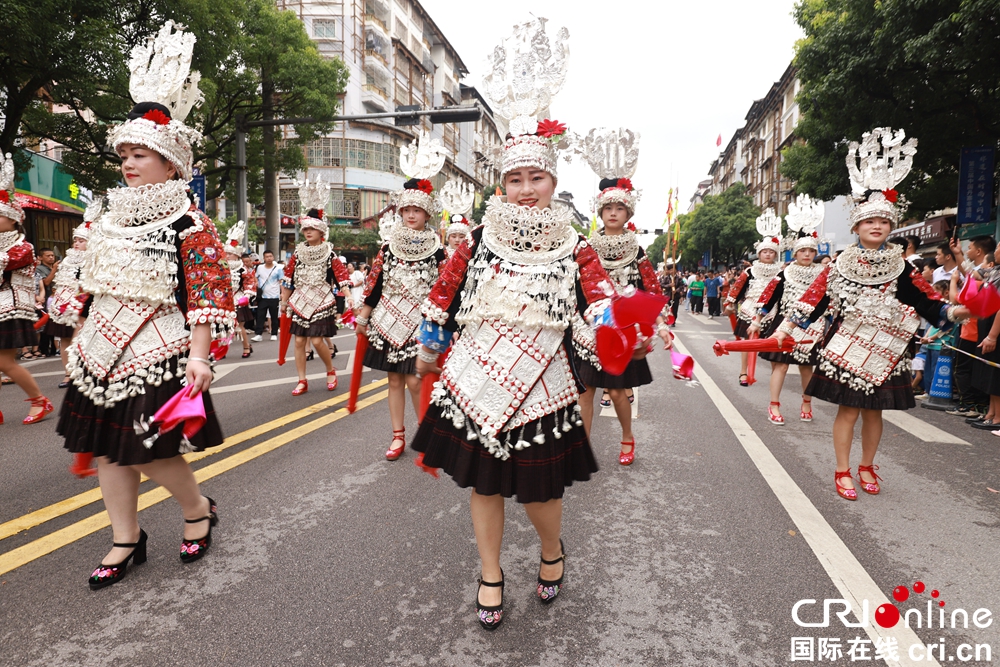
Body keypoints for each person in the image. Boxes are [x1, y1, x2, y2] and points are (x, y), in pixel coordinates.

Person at [411, 20, 602, 630]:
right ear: (501, 183)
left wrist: (620, 327)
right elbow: (443, 297)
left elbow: (598, 301)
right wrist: (429, 348)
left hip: (545, 381)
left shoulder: (576, 244)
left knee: (541, 493)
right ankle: (490, 572)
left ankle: (551, 550)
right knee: (484, 486)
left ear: (553, 182)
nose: (525, 190)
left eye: (536, 178)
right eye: (514, 179)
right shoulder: (476, 241)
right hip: (474, 377)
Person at [59, 22, 235, 588]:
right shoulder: (104, 216)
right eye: (126, 155)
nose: (129, 164)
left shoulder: (191, 222)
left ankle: (196, 511)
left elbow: (208, 292)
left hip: (160, 347)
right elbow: (85, 275)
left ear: (171, 164)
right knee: (110, 452)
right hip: (99, 348)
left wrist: (202, 356)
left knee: (153, 450)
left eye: (141, 155)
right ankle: (125, 538)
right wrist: (72, 318)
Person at [774, 127, 967, 501]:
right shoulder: (839, 264)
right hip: (847, 346)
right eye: (868, 222)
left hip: (888, 349)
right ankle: (843, 469)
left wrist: (955, 311)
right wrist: (786, 327)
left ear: (890, 227)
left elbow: (928, 302)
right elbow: (813, 300)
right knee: (848, 411)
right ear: (857, 226)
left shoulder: (902, 267)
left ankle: (867, 465)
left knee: (876, 414)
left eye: (883, 222)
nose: (876, 226)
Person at [568, 138, 672, 465]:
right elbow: (573, 286)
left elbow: (651, 290)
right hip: (587, 328)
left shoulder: (637, 251)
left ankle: (627, 436)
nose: (613, 213)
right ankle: (582, 450)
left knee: (616, 392)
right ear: (600, 212)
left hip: (623, 330)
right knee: (584, 393)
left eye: (619, 208)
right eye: (608, 208)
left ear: (628, 213)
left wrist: (660, 326)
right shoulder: (585, 246)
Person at [356, 132, 448, 461]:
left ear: (427, 215)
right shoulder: (387, 247)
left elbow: (445, 290)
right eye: (406, 210)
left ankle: (425, 432)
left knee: (414, 381)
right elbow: (376, 283)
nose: (411, 215)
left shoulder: (438, 251)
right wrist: (363, 317)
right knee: (394, 382)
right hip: (386, 321)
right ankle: (397, 436)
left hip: (420, 324)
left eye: (416, 211)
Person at [752, 196, 825, 425]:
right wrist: (757, 320)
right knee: (781, 366)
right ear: (795, 253)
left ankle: (806, 401)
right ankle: (773, 405)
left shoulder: (822, 275)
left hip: (811, 326)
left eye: (810, 252)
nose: (806, 254)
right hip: (783, 324)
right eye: (802, 251)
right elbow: (769, 298)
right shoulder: (785, 273)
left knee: (806, 366)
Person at [280, 182, 351, 396]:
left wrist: (349, 298)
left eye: (312, 229)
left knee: (318, 340)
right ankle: (302, 379)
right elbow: (287, 281)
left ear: (321, 231)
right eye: (306, 229)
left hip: (322, 300)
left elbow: (341, 278)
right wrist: (283, 303)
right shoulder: (297, 254)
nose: (308, 232)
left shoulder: (330, 254)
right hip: (299, 301)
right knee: (300, 340)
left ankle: (330, 370)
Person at [0, 153, 53, 425]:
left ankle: (39, 401)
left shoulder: (23, 247)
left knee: (6, 363)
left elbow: (6, 265)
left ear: (13, 219)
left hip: (11, 309)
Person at [724, 208, 782, 386]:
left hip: (772, 310)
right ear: (759, 253)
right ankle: (743, 372)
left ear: (775, 254)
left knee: (773, 344)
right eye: (764, 251)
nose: (767, 254)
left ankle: (777, 373)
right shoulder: (750, 271)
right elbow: (738, 288)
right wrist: (730, 303)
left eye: (771, 252)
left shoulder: (781, 272)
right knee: (747, 344)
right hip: (750, 308)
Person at [48, 200, 102, 387]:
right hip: (63, 305)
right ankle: (68, 373)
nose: (77, 244)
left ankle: (87, 371)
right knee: (64, 339)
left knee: (83, 340)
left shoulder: (97, 259)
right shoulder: (67, 260)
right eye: (76, 240)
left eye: (81, 240)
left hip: (85, 305)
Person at [221, 221, 256, 358]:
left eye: (229, 254)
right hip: (224, 299)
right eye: (226, 253)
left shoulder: (242, 268)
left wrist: (247, 296)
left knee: (239, 327)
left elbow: (249, 282)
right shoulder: (221, 267)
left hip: (238, 298)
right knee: (223, 327)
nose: (227, 256)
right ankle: (222, 349)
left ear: (236, 254)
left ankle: (246, 347)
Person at [253, 250, 282, 341]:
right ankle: (258, 334)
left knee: (274, 316)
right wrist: (257, 284)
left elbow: (281, 282)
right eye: (267, 257)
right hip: (262, 296)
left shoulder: (278, 269)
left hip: (274, 296)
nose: (269, 258)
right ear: (264, 258)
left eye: (270, 256)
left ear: (273, 257)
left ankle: (274, 333)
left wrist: (282, 293)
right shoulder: (260, 268)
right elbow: (255, 277)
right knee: (260, 315)